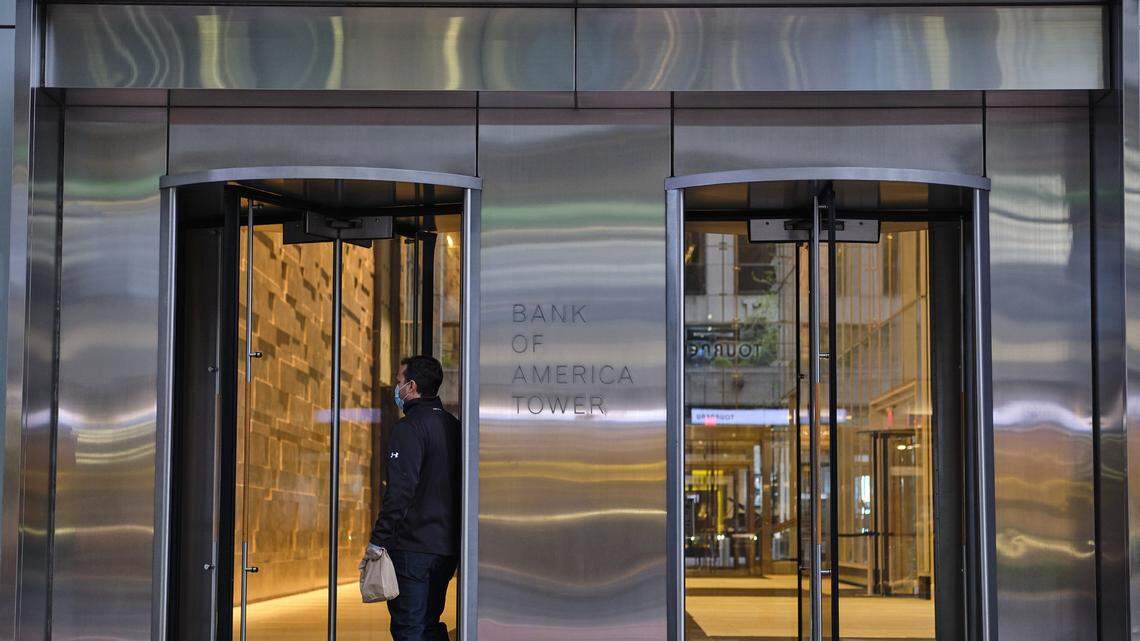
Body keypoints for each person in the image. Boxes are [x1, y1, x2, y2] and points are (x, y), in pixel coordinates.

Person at [367, 355, 461, 641]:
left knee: (410, 629)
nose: (396, 388)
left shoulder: (408, 429)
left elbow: (400, 491)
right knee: (430, 624)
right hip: (445, 549)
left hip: (413, 550)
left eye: (399, 382)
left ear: (412, 386)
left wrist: (378, 541)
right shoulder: (454, 427)